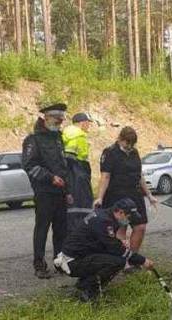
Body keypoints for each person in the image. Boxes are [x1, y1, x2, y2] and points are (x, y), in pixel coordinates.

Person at [55, 198, 154, 302]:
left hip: (79, 255)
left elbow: (103, 243)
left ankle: (85, 284)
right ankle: (89, 290)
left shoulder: (106, 215)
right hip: (72, 261)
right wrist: (143, 261)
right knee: (118, 262)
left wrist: (118, 242)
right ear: (120, 212)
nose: (129, 221)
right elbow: (117, 250)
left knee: (114, 257)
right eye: (129, 217)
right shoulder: (104, 221)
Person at [23, 103, 72, 279]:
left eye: (61, 121)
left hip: (60, 192)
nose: (59, 123)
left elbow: (63, 166)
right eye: (56, 120)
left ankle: (59, 263)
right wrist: (50, 177)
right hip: (44, 192)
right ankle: (39, 264)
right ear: (46, 118)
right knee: (42, 229)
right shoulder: (33, 140)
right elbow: (29, 166)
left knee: (61, 230)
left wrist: (68, 190)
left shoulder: (58, 138)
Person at [94, 127, 158, 252]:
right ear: (120, 139)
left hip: (135, 194)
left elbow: (140, 175)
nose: (129, 146)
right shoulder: (110, 152)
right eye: (127, 143)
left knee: (140, 226)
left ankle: (133, 257)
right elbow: (105, 176)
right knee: (121, 226)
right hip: (117, 195)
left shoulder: (134, 152)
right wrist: (100, 197)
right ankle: (121, 260)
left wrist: (149, 195)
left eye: (132, 143)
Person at [62, 112, 96, 231]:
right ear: (83, 122)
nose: (89, 126)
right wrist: (81, 174)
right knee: (82, 206)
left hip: (74, 174)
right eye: (88, 123)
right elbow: (71, 157)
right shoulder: (78, 136)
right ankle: (81, 234)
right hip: (78, 175)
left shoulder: (67, 134)